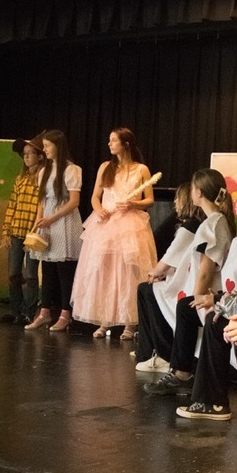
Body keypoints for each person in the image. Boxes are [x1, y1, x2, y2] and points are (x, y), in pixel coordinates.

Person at [147, 176, 237, 409]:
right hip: (233, 302)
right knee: (189, 309)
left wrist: (217, 301)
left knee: (213, 321)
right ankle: (183, 374)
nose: (235, 199)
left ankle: (212, 400)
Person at [134, 168, 234, 374]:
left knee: (176, 304)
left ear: (199, 192)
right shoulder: (214, 222)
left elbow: (206, 270)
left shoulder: (213, 224)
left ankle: (174, 364)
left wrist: (196, 296)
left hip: (203, 291)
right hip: (199, 288)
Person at [71, 127, 157, 339]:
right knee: (104, 272)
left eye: (113, 140)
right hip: (106, 224)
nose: (109, 144)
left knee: (127, 273)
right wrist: (99, 211)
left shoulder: (141, 169)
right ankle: (104, 320)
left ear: (125, 144)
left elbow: (150, 200)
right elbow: (94, 197)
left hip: (130, 224)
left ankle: (129, 322)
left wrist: (133, 203)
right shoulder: (105, 167)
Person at [25, 129, 83, 332]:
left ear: (58, 146)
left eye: (48, 145)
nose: (45, 149)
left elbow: (74, 201)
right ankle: (45, 312)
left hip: (64, 222)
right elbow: (42, 200)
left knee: (64, 271)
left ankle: (66, 313)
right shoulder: (44, 171)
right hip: (48, 222)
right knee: (47, 270)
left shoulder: (71, 170)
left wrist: (52, 218)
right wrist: (38, 221)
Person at [0, 135, 44, 326]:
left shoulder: (42, 179)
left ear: (40, 156)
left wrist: (37, 228)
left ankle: (28, 312)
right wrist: (6, 230)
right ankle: (15, 310)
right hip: (16, 231)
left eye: (30, 154)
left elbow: (42, 206)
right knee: (13, 273)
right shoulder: (21, 179)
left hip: (32, 233)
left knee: (31, 275)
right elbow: (13, 205)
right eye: (24, 154)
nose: (26, 158)